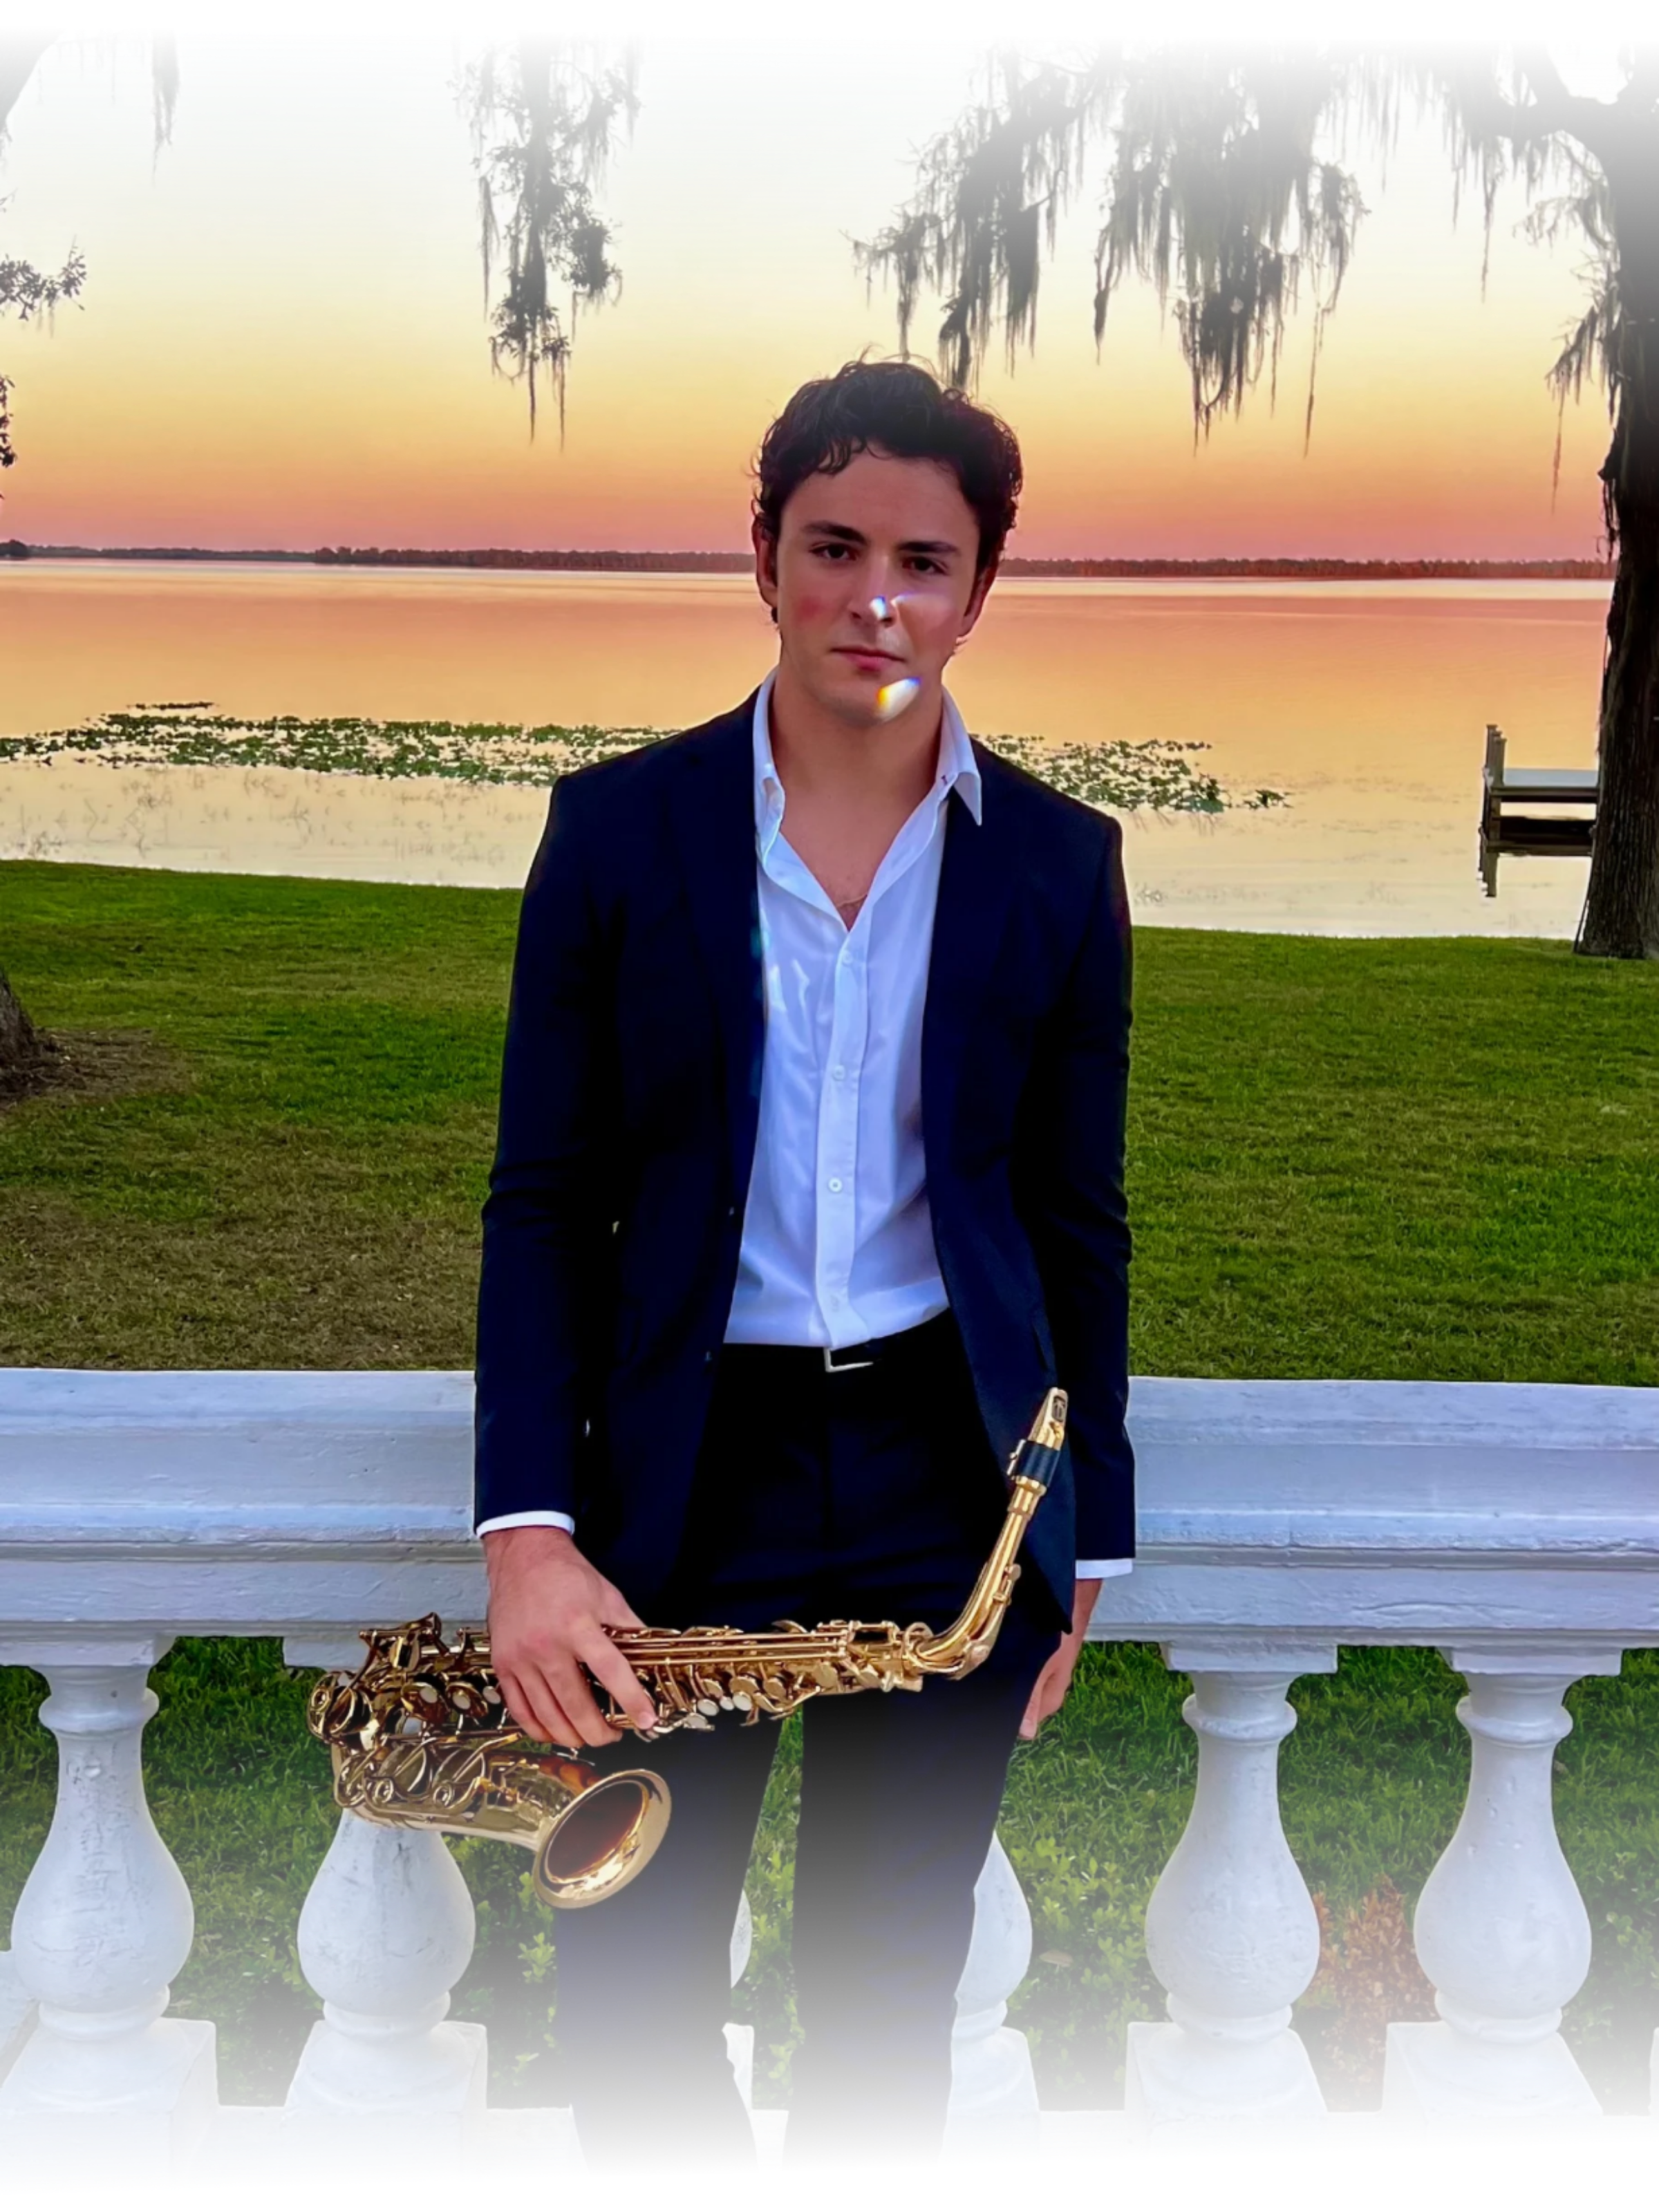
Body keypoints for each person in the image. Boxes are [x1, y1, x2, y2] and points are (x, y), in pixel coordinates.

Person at [474, 357, 1134, 2188]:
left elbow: (1078, 1226)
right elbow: (541, 1204)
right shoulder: (616, 836)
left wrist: (1084, 1538)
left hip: (947, 1480)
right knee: (624, 2004)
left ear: (982, 590)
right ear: (761, 557)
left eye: (926, 559)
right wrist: (530, 1534)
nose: (879, 597)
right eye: (834, 547)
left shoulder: (1064, 870)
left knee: (884, 2005)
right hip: (681, 1487)